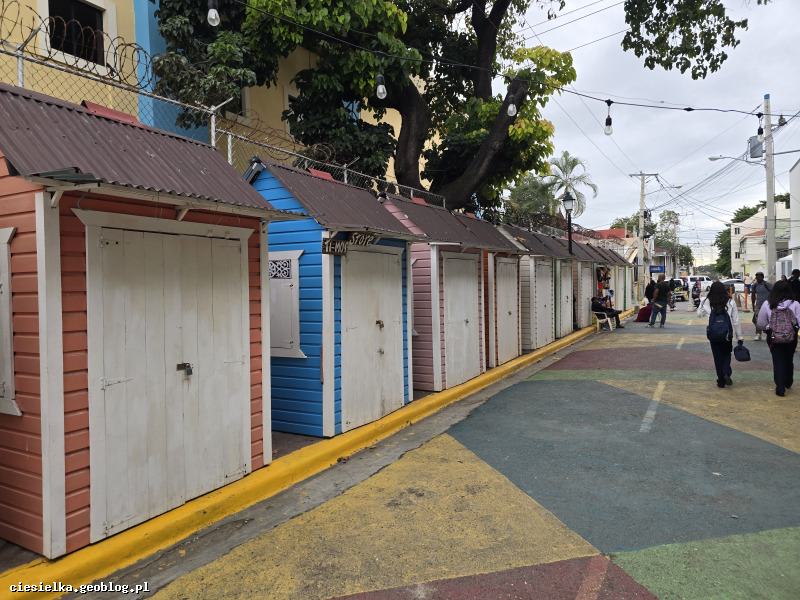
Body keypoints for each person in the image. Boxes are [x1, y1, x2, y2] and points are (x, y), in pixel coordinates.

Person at [756, 280, 800, 397]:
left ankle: (780, 387)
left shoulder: (767, 303)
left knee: (778, 360)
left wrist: (766, 328)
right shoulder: (795, 304)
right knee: (789, 358)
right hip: (791, 336)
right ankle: (788, 381)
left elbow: (760, 323)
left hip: (773, 336)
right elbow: (798, 322)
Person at [697, 281, 744, 388]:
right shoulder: (730, 302)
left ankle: (721, 381)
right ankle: (726, 372)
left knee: (717, 356)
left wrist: (703, 304)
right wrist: (739, 336)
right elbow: (736, 321)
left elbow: (699, 314)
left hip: (713, 333)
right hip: (727, 333)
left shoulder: (706, 301)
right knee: (727, 353)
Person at [750, 272, 773, 341]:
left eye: (760, 276)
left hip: (768, 305)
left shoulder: (767, 284)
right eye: (757, 276)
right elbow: (753, 295)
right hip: (759, 305)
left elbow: (773, 293)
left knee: (770, 319)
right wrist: (753, 304)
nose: (758, 278)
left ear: (762, 277)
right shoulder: (754, 285)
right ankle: (758, 334)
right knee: (756, 320)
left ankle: (770, 332)